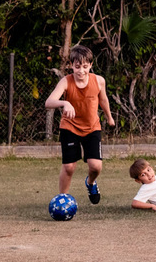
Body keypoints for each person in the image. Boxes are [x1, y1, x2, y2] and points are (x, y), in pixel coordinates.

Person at [43, 44, 116, 204]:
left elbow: (103, 100)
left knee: (96, 166)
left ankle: (90, 183)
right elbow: (49, 102)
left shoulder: (99, 81)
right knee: (69, 167)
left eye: (84, 66)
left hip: (92, 128)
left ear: (90, 65)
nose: (81, 71)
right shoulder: (66, 81)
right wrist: (64, 104)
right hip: (70, 127)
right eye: (77, 67)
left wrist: (109, 117)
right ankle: (62, 199)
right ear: (71, 65)